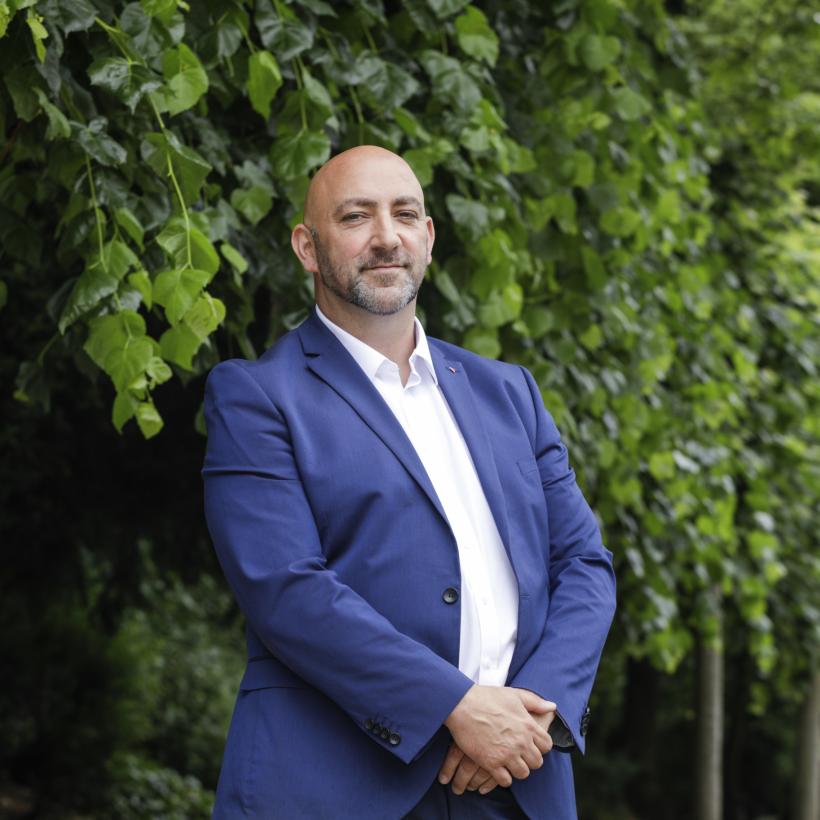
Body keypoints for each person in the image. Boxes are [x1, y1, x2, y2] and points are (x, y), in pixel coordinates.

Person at [202, 145, 616, 819]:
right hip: (333, 785)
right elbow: (285, 589)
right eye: (356, 217)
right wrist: (454, 706)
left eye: (404, 214)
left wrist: (535, 714)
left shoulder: (510, 393)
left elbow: (584, 567)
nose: (385, 236)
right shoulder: (256, 397)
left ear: (427, 237)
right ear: (308, 247)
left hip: (517, 783)